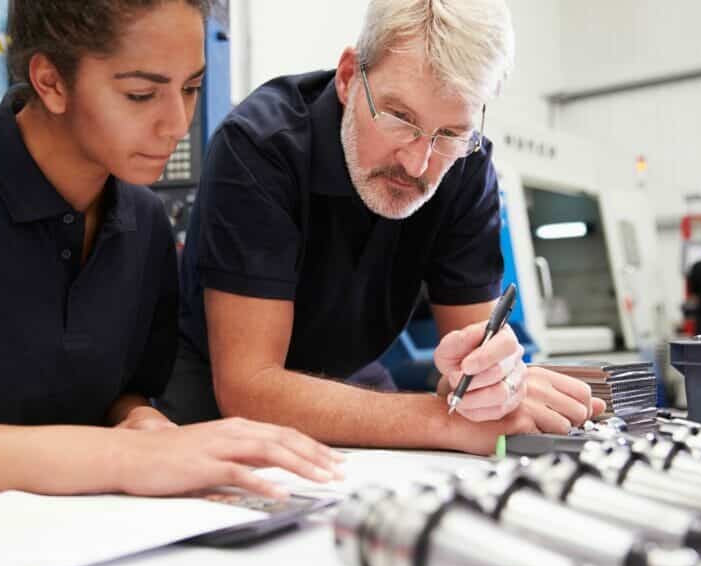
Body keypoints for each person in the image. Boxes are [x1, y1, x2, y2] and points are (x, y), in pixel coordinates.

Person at [0, 0, 341, 498]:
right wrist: (121, 458)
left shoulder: (144, 221)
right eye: (141, 94)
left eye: (191, 88)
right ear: (51, 82)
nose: (176, 123)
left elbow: (123, 392)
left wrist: (143, 422)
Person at [160, 0, 605, 455]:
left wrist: (496, 383)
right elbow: (250, 387)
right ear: (349, 77)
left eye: (450, 134)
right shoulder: (260, 148)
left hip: (350, 380)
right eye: (400, 118)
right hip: (214, 394)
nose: (418, 164)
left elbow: (473, 371)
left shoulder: (466, 166)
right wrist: (445, 423)